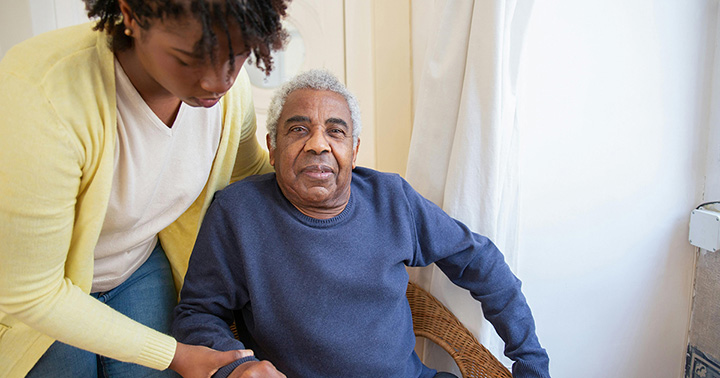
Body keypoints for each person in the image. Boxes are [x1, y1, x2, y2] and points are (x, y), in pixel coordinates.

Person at [172, 69, 551, 378]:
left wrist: (531, 362)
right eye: (298, 129)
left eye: (335, 131)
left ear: (354, 151)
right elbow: (197, 314)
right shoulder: (238, 212)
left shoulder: (391, 198)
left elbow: (480, 262)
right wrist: (237, 368)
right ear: (272, 147)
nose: (318, 144)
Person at [0, 0, 292, 377]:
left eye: (236, 57)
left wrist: (355, 204)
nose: (218, 81)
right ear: (131, 15)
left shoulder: (228, 99)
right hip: (39, 292)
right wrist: (174, 355)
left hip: (139, 264)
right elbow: (31, 293)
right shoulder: (42, 95)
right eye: (189, 59)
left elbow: (251, 175)